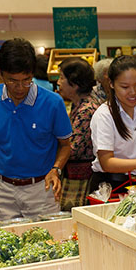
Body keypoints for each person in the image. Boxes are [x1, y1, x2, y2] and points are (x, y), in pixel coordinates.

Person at [0, 38, 73, 221]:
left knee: (45, 244)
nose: (20, 88)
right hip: (2, 189)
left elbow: (66, 145)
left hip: (41, 189)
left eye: (26, 80)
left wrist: (56, 169)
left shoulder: (53, 102)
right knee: (6, 243)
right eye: (12, 81)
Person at [92, 55, 136, 183]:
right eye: (125, 87)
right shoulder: (104, 115)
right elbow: (107, 162)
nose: (133, 92)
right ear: (111, 84)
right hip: (112, 184)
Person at [55, 57, 100, 209]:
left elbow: (73, 149)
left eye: (62, 78)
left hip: (81, 180)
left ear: (74, 84)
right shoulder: (82, 104)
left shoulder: (86, 110)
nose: (58, 83)